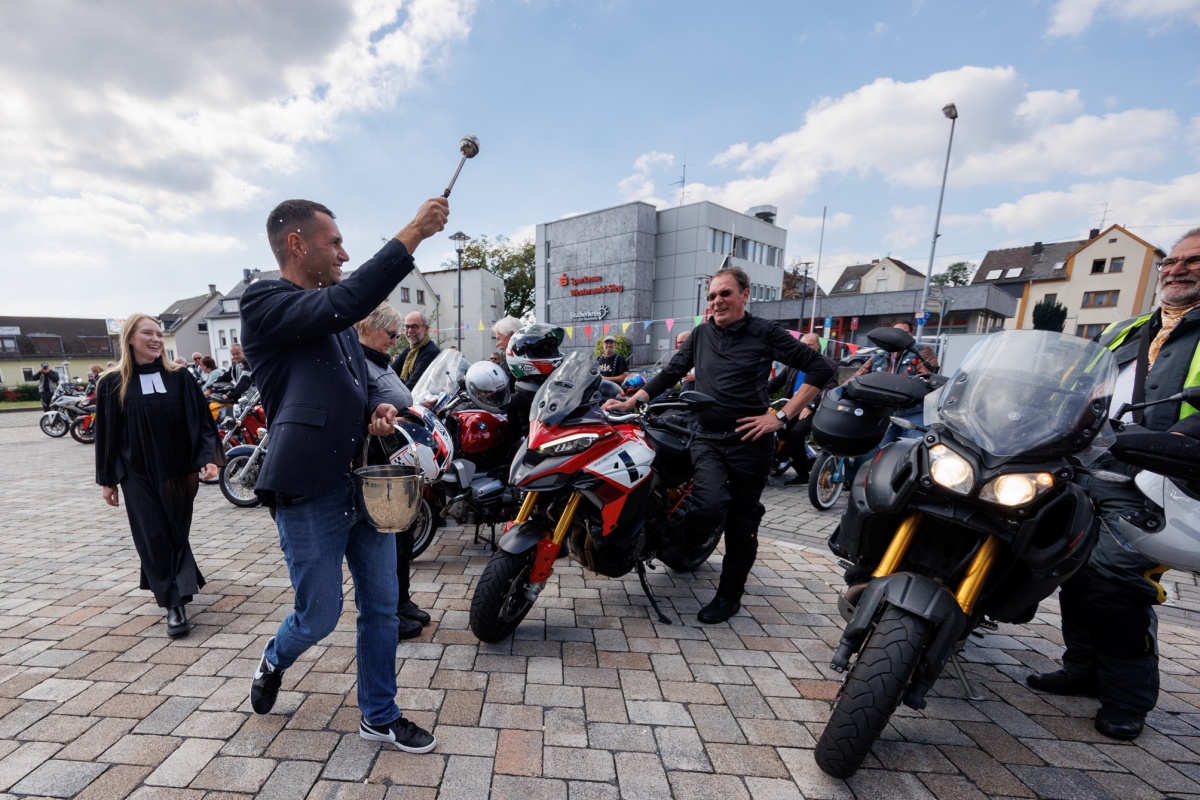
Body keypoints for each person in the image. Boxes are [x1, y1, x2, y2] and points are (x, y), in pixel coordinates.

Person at [240, 195, 448, 755]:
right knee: (319, 616)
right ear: (296, 245)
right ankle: (273, 658)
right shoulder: (265, 301)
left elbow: (345, 392)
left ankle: (379, 714)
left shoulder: (336, 322)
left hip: (366, 487)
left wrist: (374, 417)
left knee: (382, 606)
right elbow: (351, 296)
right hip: (309, 492)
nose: (344, 252)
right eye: (334, 243)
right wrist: (415, 232)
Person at [1027, 228, 1200, 741]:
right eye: (1172, 261)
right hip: (1093, 468)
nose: (1177, 269)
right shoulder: (1128, 330)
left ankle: (1128, 699)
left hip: (1166, 483)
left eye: (1194, 261)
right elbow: (1077, 383)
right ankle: (1082, 669)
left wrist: (1175, 438)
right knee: (1073, 571)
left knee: (1115, 586)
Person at [603, 265, 833, 624]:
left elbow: (821, 369)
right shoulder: (699, 335)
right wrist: (634, 400)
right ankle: (677, 547)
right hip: (706, 435)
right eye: (711, 296)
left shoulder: (765, 332)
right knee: (706, 505)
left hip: (750, 441)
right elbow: (673, 371)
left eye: (725, 293)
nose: (717, 301)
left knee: (743, 522)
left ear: (745, 294)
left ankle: (729, 597)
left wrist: (782, 416)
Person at [94, 314, 221, 637]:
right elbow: (107, 436)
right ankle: (174, 604)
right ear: (130, 339)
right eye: (147, 333)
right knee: (153, 534)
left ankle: (176, 581)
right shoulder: (111, 383)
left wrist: (208, 458)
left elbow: (202, 421)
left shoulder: (180, 377)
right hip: (137, 472)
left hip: (179, 469)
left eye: (159, 333)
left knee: (174, 530)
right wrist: (108, 480)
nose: (155, 339)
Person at [355, 302, 431, 641]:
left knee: (403, 539)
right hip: (380, 462)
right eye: (390, 333)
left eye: (398, 333)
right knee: (390, 543)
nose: (396, 339)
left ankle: (402, 601)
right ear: (368, 328)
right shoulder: (360, 362)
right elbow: (361, 410)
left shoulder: (378, 360)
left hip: (397, 461)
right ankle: (391, 611)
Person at [769, 333, 839, 486]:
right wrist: (756, 393)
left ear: (818, 346)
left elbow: (828, 387)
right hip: (791, 407)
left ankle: (781, 457)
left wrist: (810, 405)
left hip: (813, 410)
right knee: (778, 429)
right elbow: (776, 383)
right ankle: (801, 473)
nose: (805, 348)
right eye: (802, 345)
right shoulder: (793, 363)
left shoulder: (827, 364)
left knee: (797, 432)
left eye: (810, 345)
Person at [853, 320, 938, 444]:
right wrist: (839, 391)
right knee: (879, 449)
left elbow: (927, 377)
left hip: (913, 412)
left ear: (911, 334)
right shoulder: (880, 356)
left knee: (913, 449)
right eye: (896, 333)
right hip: (886, 413)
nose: (899, 337)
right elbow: (859, 375)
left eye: (905, 333)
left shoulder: (921, 350)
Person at [391, 311, 440, 389]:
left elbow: (414, 384)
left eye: (414, 326)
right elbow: (392, 372)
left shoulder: (430, 352)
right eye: (407, 327)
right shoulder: (410, 349)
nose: (410, 330)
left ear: (426, 329)